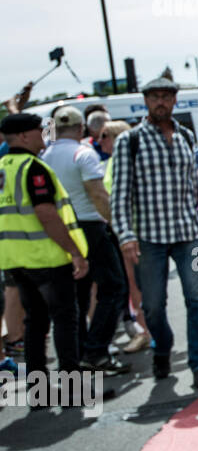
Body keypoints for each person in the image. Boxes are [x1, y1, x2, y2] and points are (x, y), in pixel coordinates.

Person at [111, 77, 198, 388]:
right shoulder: (129, 141)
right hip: (149, 239)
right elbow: (119, 195)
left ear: (174, 100)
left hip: (191, 236)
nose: (161, 102)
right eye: (154, 97)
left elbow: (196, 184)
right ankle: (163, 346)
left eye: (166, 97)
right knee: (153, 304)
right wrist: (126, 236)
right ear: (146, 101)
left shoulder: (185, 135)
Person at [0, 112, 89, 381]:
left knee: (35, 323)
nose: (45, 135)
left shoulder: (3, 166)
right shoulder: (33, 168)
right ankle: (72, 388)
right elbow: (47, 214)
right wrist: (75, 252)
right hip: (46, 257)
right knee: (64, 320)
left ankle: (38, 393)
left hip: (14, 260)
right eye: (40, 130)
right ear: (25, 136)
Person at [41, 105, 130, 374]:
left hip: (61, 228)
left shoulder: (45, 155)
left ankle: (81, 353)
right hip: (90, 226)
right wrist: (118, 226)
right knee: (113, 287)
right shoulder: (84, 153)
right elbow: (98, 195)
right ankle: (96, 351)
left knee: (77, 296)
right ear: (81, 129)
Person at [100, 120, 150, 353]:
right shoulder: (113, 161)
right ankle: (145, 329)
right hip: (123, 230)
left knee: (137, 284)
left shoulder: (124, 161)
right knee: (133, 284)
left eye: (104, 136)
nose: (99, 141)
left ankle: (146, 331)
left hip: (132, 230)